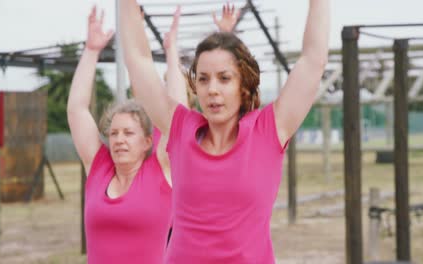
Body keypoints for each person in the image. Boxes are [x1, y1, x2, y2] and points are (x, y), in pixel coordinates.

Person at [120, 0, 329, 262]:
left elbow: (313, 60)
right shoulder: (181, 129)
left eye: (224, 78)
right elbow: (138, 60)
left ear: (244, 84)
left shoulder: (268, 130)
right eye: (204, 79)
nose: (212, 89)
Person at [66, 6, 180, 264]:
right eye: (114, 133)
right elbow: (76, 109)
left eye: (129, 133)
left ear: (147, 141)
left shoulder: (161, 169)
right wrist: (91, 50)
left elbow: (173, 107)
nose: (119, 139)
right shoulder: (99, 169)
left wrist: (169, 52)